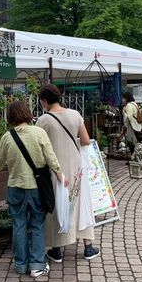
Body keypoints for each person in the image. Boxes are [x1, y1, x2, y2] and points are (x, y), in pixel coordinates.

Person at [0, 100, 64, 277]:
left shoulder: (7, 137)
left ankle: (20, 264)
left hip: (16, 187)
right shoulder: (39, 133)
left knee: (19, 225)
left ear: (10, 117)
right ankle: (37, 265)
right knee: (38, 224)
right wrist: (60, 174)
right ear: (27, 113)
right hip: (37, 188)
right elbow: (51, 157)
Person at [36, 84, 100, 263]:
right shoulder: (75, 114)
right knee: (80, 203)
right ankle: (88, 247)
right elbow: (86, 141)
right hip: (76, 167)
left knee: (56, 203)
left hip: (55, 170)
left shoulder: (43, 120)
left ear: (45, 100)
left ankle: (56, 250)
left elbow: (40, 147)